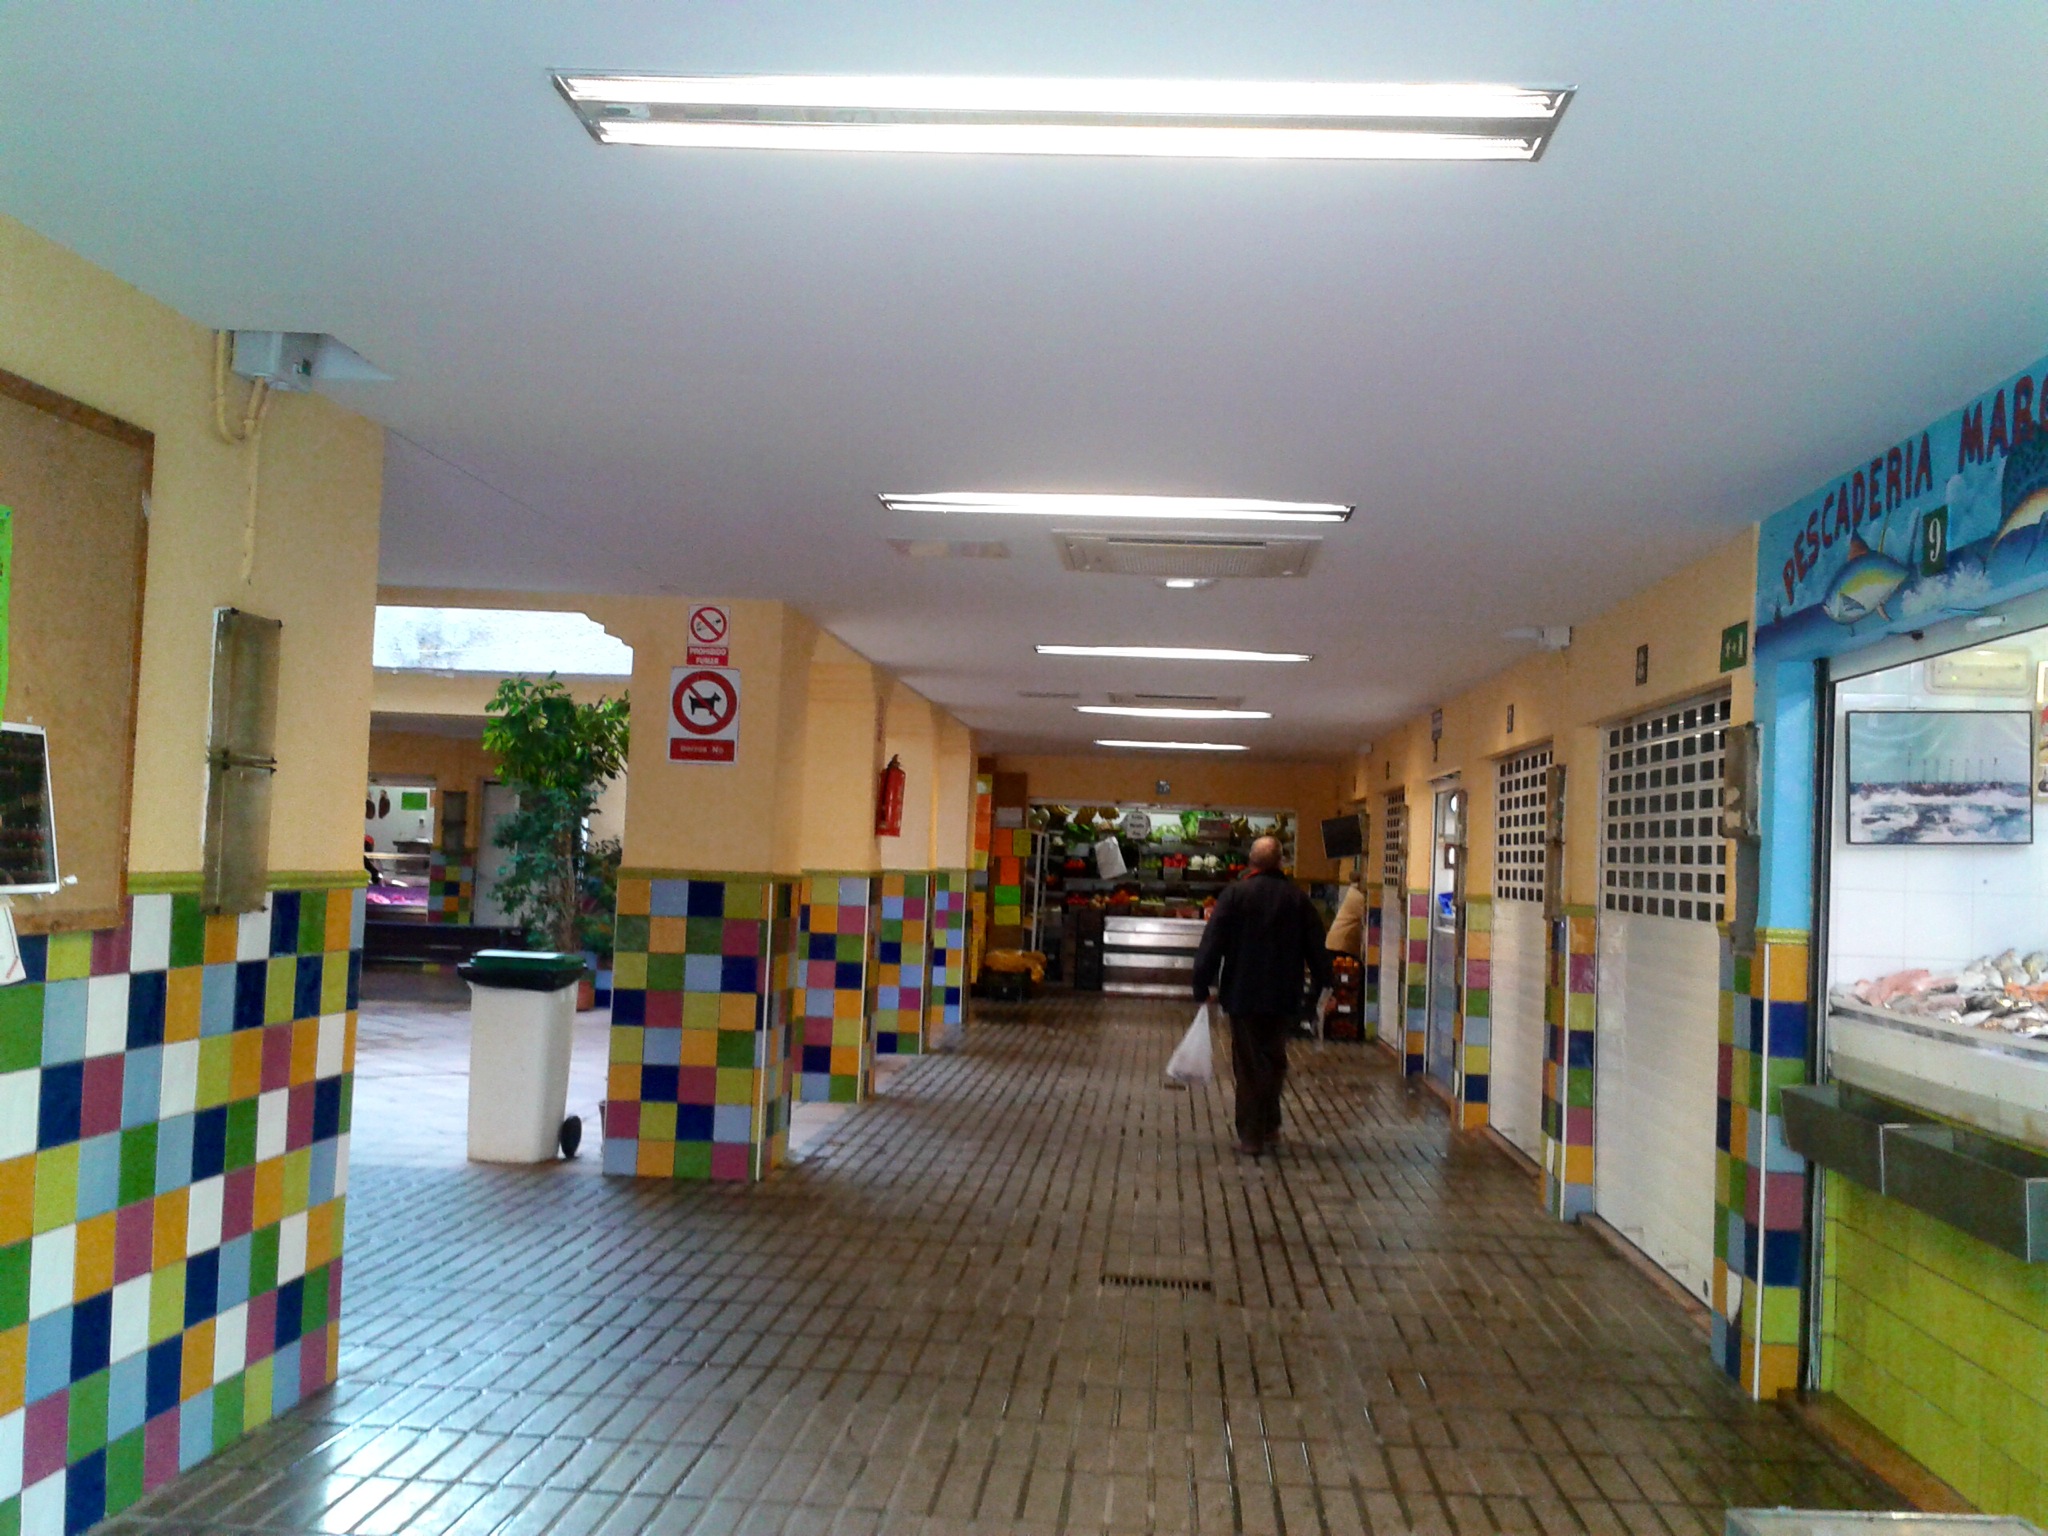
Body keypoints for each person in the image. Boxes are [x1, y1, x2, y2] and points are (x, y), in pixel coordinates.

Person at [1192, 836, 1333, 1156]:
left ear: (1251, 862)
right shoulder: (1297, 899)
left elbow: (1212, 943)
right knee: (1274, 1059)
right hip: (1284, 995)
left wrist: (1201, 985)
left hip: (1243, 993)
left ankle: (1252, 1135)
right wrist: (1324, 986)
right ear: (1281, 862)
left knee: (1249, 1064)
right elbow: (1317, 947)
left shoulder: (1234, 896)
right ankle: (1270, 1125)